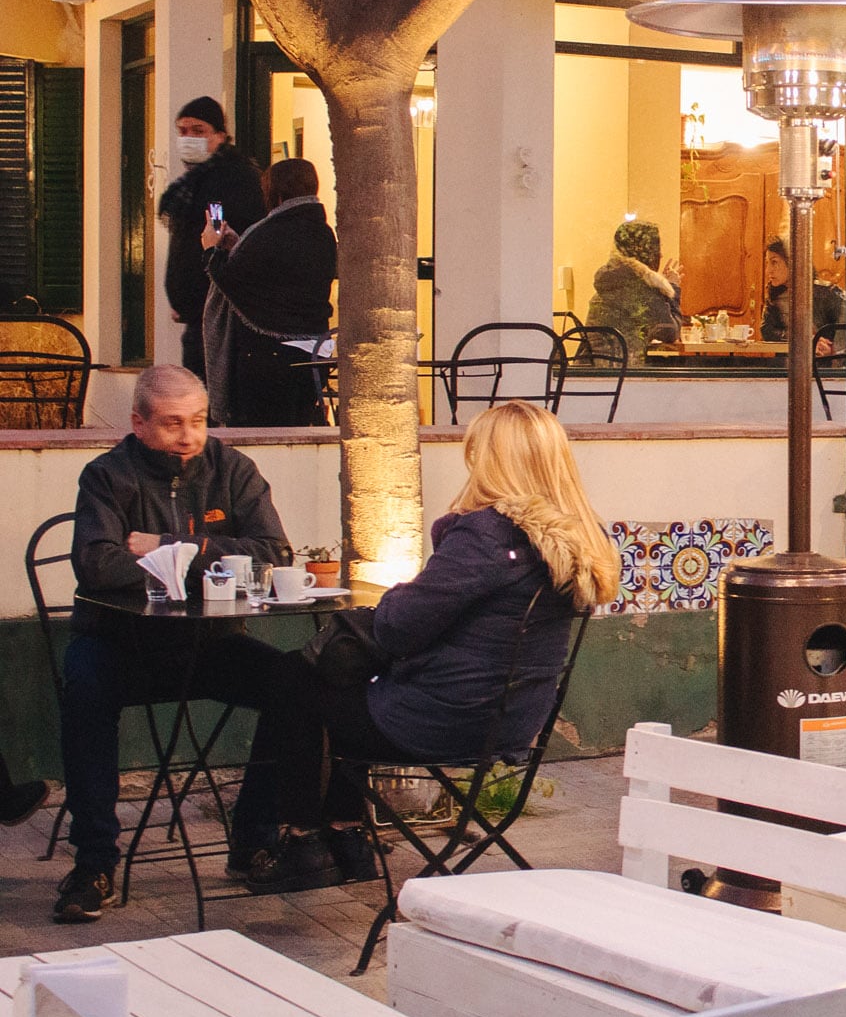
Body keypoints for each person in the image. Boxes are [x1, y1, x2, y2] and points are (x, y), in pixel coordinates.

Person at [243, 400, 620, 891]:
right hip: (511, 722)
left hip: (440, 720)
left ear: (489, 460)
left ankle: (306, 842)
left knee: (292, 677)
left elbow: (398, 627)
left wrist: (400, 592)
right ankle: (347, 837)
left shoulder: (486, 535)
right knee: (332, 686)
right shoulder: (579, 542)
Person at [55, 365, 293, 922]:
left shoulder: (233, 469)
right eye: (171, 423)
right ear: (138, 423)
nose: (188, 436)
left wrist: (168, 547)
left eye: (198, 421)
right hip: (121, 644)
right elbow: (96, 564)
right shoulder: (106, 476)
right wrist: (213, 557)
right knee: (84, 694)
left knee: (296, 684)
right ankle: (93, 863)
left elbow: (274, 554)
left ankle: (254, 839)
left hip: (207, 645)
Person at [199, 157, 337, 426]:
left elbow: (232, 281)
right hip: (315, 349)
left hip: (269, 356)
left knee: (261, 432)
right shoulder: (322, 232)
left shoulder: (269, 231)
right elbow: (277, 274)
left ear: (275, 193)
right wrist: (237, 246)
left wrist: (210, 249)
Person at [159, 97, 265, 380]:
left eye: (198, 130)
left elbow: (216, 234)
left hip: (220, 312)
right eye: (182, 131)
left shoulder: (231, 179)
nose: (188, 138)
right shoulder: (192, 183)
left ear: (219, 135)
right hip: (198, 311)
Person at [587, 219, 683, 365]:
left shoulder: (612, 282)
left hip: (594, 371)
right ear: (647, 252)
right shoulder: (638, 291)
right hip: (623, 373)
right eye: (658, 248)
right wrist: (672, 289)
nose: (661, 255)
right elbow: (670, 332)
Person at [760, 237, 846, 356]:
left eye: (774, 262)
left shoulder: (827, 293)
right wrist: (804, 339)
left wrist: (833, 349)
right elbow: (767, 331)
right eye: (767, 263)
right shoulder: (775, 294)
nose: (768, 270)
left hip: (823, 367)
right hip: (787, 365)